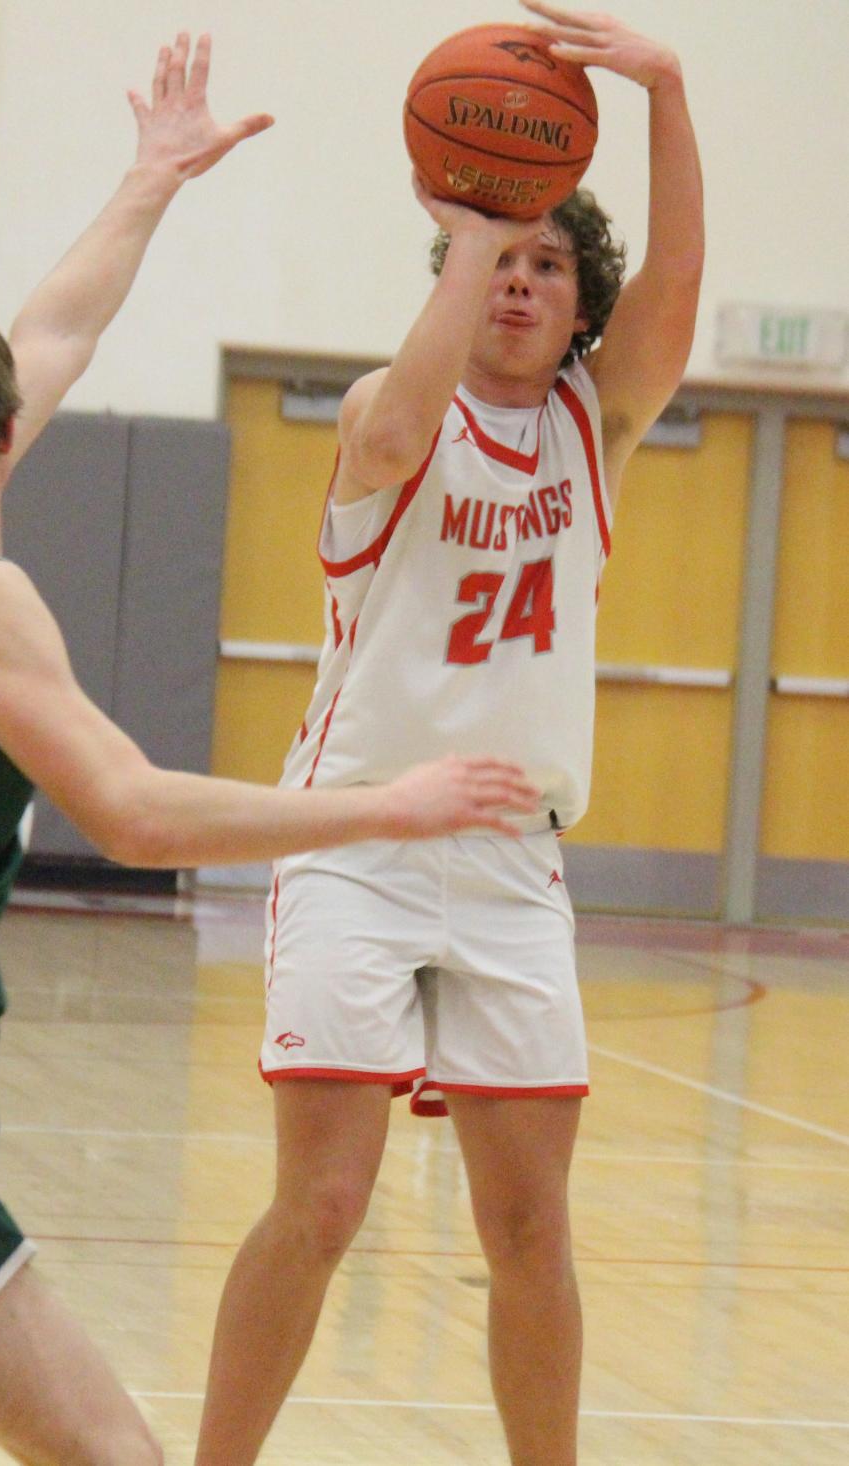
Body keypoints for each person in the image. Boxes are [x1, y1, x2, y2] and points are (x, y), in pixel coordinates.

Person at [0, 32, 540, 1466]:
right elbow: (134, 814)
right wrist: (380, 804)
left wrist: (150, 178)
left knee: (118, 1455)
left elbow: (52, 329)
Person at [192, 4, 704, 1465]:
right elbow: (404, 412)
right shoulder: (387, 412)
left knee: (530, 1219)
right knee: (327, 1201)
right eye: (501, 259)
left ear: (577, 306)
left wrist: (663, 94)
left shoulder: (590, 433)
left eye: (551, 262)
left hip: (506, 854)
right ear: (458, 275)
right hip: (355, 831)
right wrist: (479, 212)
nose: (522, 279)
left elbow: (671, 289)